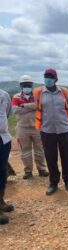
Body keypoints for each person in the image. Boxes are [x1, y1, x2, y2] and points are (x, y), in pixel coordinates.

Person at [33, 68, 68, 195]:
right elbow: (37, 107)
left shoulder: (64, 92)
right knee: (51, 157)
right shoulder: (38, 92)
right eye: (46, 76)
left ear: (55, 79)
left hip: (65, 129)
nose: (47, 79)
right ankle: (53, 182)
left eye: (50, 77)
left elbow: (67, 107)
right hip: (47, 131)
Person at [12, 75, 49, 179]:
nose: (26, 86)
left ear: (31, 85)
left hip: (37, 127)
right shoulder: (16, 97)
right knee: (25, 151)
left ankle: (41, 169)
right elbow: (15, 110)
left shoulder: (37, 96)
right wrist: (33, 107)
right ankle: (28, 171)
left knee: (40, 149)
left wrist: (23, 106)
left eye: (28, 85)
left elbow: (40, 106)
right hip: (22, 128)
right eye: (24, 85)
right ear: (21, 86)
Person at [0, 88, 14, 225]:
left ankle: (1, 202)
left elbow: (7, 114)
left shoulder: (4, 95)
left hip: (3, 138)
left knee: (3, 170)